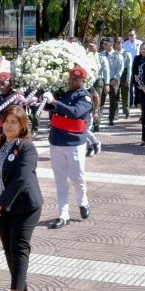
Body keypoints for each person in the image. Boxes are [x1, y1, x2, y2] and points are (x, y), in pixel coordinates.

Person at [0, 105, 43, 291]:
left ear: (22, 126)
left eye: (14, 122)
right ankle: (22, 284)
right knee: (8, 248)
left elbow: (20, 179)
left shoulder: (27, 148)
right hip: (1, 207)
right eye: (7, 121)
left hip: (25, 206)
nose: (9, 126)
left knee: (19, 247)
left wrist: (0, 202)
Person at [44, 66, 93, 229]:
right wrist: (44, 95)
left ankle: (83, 201)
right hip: (57, 140)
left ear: (82, 81)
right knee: (60, 180)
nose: (72, 81)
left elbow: (75, 112)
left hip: (74, 142)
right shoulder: (63, 93)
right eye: (71, 78)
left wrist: (54, 102)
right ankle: (63, 214)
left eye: (76, 79)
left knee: (77, 177)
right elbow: (49, 107)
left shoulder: (85, 97)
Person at [100, 38, 123, 126]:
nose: (104, 46)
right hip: (103, 80)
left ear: (111, 44)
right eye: (103, 44)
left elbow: (120, 69)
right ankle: (98, 120)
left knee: (113, 101)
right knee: (100, 100)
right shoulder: (101, 54)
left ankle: (111, 118)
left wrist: (116, 79)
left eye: (106, 44)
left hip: (113, 80)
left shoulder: (117, 55)